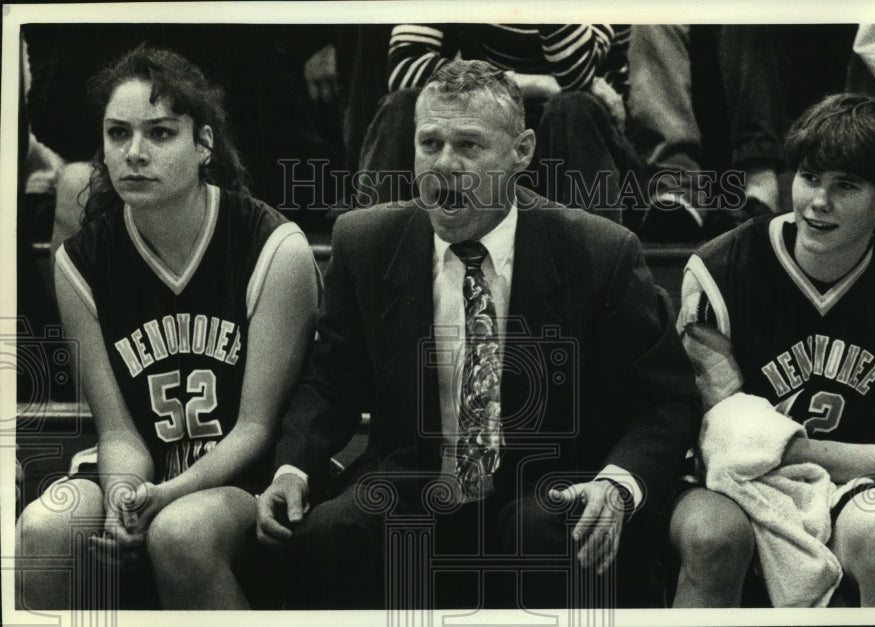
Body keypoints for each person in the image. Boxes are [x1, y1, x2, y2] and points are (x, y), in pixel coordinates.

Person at [255, 59, 700, 610]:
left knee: (552, 533)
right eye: (430, 143)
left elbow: (664, 400)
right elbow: (329, 385)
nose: (444, 165)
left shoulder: (599, 252)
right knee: (330, 533)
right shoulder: (365, 241)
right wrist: (292, 467)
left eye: (468, 146)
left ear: (522, 151)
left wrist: (616, 482)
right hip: (415, 480)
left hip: (549, 482)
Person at [15, 45, 320, 610]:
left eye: (159, 134)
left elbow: (256, 429)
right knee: (41, 529)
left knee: (178, 530)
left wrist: (164, 496)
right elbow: (118, 433)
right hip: (145, 470)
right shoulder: (80, 261)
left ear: (204, 144)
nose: (133, 153)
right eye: (117, 134)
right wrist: (125, 497)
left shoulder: (276, 247)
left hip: (244, 478)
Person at [668, 93, 875, 607]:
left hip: (851, 488)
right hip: (725, 486)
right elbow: (722, 438)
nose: (818, 201)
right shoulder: (719, 268)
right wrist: (766, 454)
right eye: (809, 177)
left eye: (845, 185)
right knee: (712, 537)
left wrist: (790, 450)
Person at [355, 24, 637, 223]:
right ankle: (371, 252)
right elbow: (405, 69)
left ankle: (593, 268)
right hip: (482, 132)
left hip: (584, 152)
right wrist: (538, 84)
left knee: (572, 108)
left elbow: (575, 74)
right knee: (402, 106)